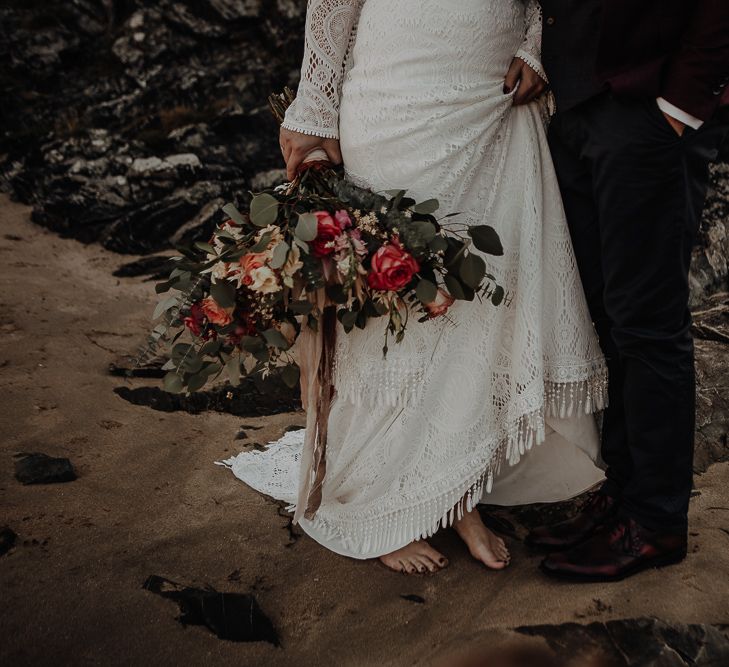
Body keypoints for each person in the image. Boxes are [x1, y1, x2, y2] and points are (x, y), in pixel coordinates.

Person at [219, 0, 607, 574]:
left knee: (476, 304)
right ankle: (377, 493)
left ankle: (457, 495)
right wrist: (314, 105)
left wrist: (534, 44)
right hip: (395, 101)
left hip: (490, 104)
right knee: (388, 303)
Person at [528, 0, 729, 582]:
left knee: (648, 323)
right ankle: (623, 493)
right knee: (606, 316)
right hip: (577, 111)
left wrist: (681, 107)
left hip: (650, 115)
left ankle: (656, 519)